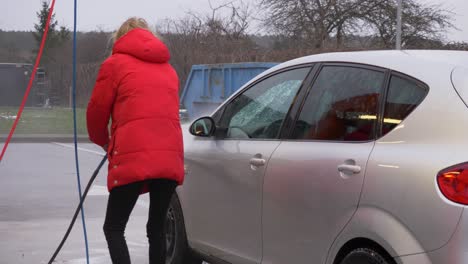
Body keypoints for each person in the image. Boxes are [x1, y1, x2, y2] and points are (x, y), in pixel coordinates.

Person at [86, 17, 184, 264]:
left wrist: (105, 142)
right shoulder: (169, 70)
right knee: (157, 228)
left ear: (120, 38)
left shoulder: (114, 65)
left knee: (114, 227)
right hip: (169, 159)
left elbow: (96, 114)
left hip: (132, 156)